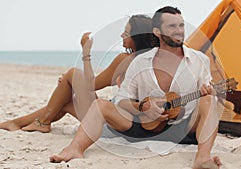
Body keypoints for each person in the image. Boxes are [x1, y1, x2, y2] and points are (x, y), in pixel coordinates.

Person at [49, 6, 222, 169]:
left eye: (181, 25)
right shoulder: (140, 62)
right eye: (172, 26)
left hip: (182, 126)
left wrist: (209, 93)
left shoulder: (200, 60)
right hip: (143, 125)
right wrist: (143, 106)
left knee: (208, 99)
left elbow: (206, 94)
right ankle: (74, 149)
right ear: (157, 32)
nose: (179, 31)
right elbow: (122, 100)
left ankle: (202, 158)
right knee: (101, 104)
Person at [0, 14, 157, 133]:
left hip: (113, 124)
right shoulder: (150, 59)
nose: (121, 36)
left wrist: (86, 53)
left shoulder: (127, 59)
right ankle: (23, 123)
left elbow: (91, 85)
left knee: (72, 75)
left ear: (137, 38)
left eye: (126, 33)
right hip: (129, 122)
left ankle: (41, 123)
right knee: (66, 99)